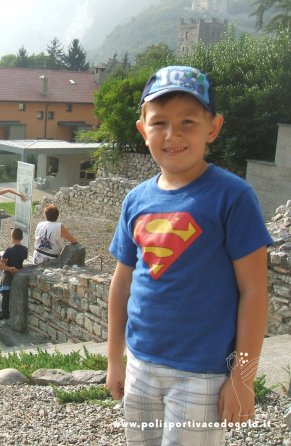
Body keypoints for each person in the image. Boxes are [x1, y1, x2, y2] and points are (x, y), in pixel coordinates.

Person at [105, 65, 272, 445]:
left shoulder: (233, 197)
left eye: (187, 122)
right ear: (142, 129)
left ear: (213, 128)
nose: (172, 134)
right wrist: (115, 359)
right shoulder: (136, 200)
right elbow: (122, 284)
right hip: (142, 366)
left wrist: (242, 379)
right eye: (159, 122)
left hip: (204, 374)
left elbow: (254, 292)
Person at [0, 227, 28, 322]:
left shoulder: (9, 250)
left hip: (8, 274)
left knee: (6, 295)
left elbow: (1, 263)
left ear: (12, 237)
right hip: (19, 274)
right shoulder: (25, 250)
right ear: (21, 238)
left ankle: (4, 315)